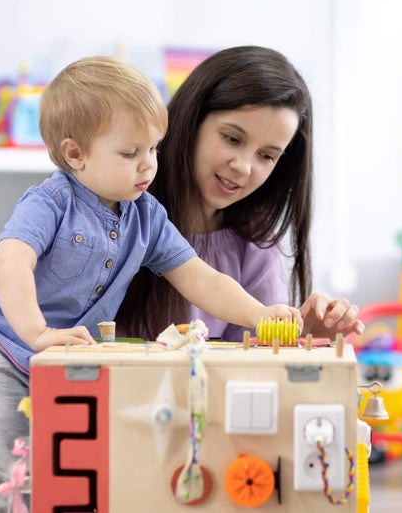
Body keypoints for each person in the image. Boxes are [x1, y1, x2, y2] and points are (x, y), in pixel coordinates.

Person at [0, 56, 302, 512]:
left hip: (49, 371)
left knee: (49, 488)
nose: (148, 166)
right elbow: (9, 265)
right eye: (131, 154)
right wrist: (38, 334)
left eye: (154, 150)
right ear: (75, 155)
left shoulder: (147, 215)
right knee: (0, 486)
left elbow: (200, 278)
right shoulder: (50, 202)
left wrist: (259, 315)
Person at [116, 45, 365, 341]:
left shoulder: (253, 245)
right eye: (232, 138)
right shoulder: (116, 214)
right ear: (191, 120)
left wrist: (303, 334)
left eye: (267, 156)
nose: (243, 167)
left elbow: (251, 362)